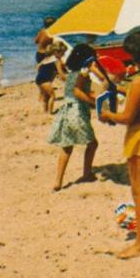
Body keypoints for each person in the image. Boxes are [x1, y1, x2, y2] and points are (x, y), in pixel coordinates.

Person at [99, 30, 140, 259]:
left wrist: (107, 115)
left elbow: (127, 117)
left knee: (139, 193)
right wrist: (118, 88)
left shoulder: (139, 82)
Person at [47, 43, 99, 191]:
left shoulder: (71, 75)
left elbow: (69, 86)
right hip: (77, 112)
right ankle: (87, 173)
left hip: (66, 112)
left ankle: (58, 181)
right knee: (93, 144)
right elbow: (79, 93)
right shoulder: (83, 75)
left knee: (67, 146)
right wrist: (94, 102)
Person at [35, 41, 67, 112]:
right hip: (45, 80)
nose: (63, 55)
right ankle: (50, 112)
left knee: (46, 96)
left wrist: (43, 72)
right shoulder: (57, 60)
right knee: (52, 96)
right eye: (63, 53)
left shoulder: (47, 58)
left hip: (38, 79)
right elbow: (61, 73)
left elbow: (38, 66)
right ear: (56, 52)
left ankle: (45, 111)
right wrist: (67, 80)